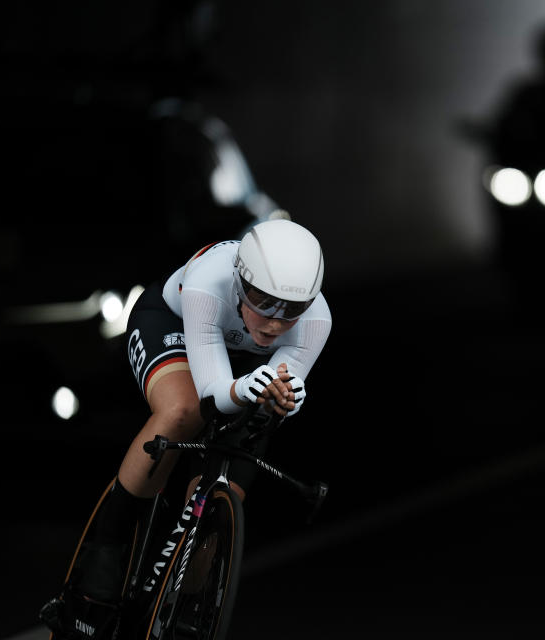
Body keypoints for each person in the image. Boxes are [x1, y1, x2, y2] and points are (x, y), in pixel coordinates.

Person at [45, 216, 331, 635]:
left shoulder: (317, 319)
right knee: (183, 412)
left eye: (291, 310)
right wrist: (247, 386)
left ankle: (185, 600)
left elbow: (278, 392)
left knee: (229, 482)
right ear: (240, 279)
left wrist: (286, 397)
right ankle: (106, 548)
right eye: (261, 300)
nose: (273, 322)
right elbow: (214, 392)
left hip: (243, 362)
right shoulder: (208, 281)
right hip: (173, 324)